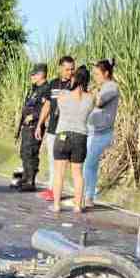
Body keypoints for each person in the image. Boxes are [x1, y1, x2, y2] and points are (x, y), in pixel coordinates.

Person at [49, 66, 94, 214]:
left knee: (59, 172)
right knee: (78, 173)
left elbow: (58, 107)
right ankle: (77, 206)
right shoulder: (91, 98)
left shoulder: (63, 94)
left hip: (63, 135)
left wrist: (70, 84)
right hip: (80, 137)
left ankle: (56, 205)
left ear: (74, 78)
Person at [35, 56, 76, 201]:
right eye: (67, 69)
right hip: (53, 128)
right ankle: (52, 189)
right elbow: (47, 105)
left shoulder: (75, 85)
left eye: (72, 69)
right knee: (52, 160)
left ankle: (62, 190)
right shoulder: (53, 84)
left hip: (67, 129)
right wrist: (40, 124)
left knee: (65, 162)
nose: (70, 72)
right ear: (60, 68)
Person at [82, 59, 120, 210]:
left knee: (88, 165)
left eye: (97, 74)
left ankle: (89, 196)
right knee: (90, 165)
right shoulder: (103, 86)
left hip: (101, 133)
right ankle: (87, 194)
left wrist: (91, 92)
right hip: (93, 132)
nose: (95, 77)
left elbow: (98, 102)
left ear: (106, 73)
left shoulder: (111, 87)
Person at [13, 63, 50, 192]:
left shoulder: (46, 89)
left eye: (34, 74)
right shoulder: (35, 89)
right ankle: (25, 177)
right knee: (24, 152)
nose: (32, 77)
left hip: (35, 125)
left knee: (31, 152)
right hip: (27, 126)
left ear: (41, 75)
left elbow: (45, 108)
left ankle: (30, 181)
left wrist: (34, 116)